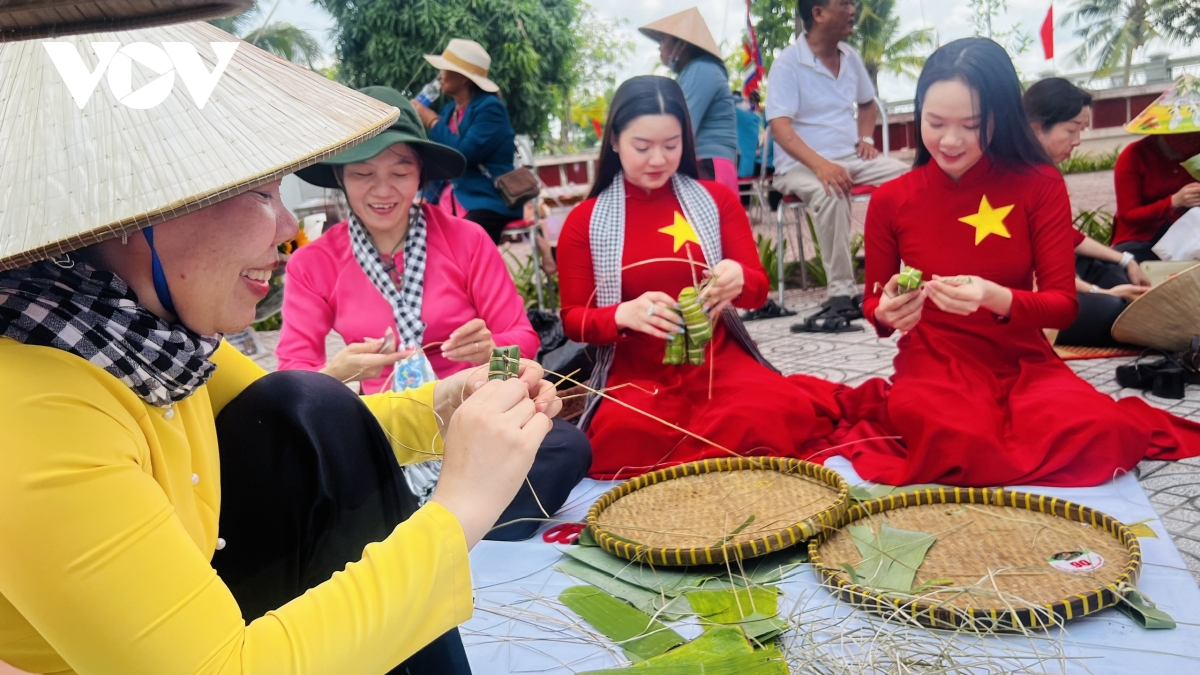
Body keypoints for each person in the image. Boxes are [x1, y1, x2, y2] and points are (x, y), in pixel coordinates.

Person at [0, 24, 563, 675]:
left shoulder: (145, 339)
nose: (289, 226)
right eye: (262, 194)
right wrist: (460, 506)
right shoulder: (35, 414)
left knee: (310, 403)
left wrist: (446, 403)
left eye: (400, 171)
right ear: (140, 212)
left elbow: (319, 417)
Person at [820, 38, 1200, 488]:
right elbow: (875, 308)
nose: (951, 140)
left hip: (1022, 361)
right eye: (935, 122)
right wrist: (886, 312)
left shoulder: (1038, 184)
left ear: (1001, 118)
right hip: (934, 363)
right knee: (952, 435)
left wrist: (999, 298)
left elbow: (1063, 306)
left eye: (973, 125)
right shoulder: (891, 200)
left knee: (1104, 430)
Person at [278, 87, 591, 539]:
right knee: (307, 480)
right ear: (340, 178)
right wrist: (336, 374)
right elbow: (292, 375)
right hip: (385, 430)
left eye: (400, 171)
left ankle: (416, 524)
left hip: (473, 419)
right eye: (363, 172)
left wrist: (492, 351)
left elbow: (522, 338)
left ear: (421, 173)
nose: (382, 190)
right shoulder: (315, 262)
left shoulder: (466, 240)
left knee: (565, 446)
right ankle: (459, 521)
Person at [556, 76, 842, 480]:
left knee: (767, 416)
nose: (658, 159)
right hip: (637, 374)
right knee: (622, 438)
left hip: (718, 362)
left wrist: (737, 277)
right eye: (642, 147)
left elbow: (758, 291)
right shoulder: (585, 221)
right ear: (615, 141)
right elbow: (574, 319)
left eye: (671, 146)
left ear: (685, 142)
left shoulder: (714, 200)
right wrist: (623, 314)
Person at [765, 0, 909, 332]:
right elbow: (781, 130)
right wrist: (821, 166)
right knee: (831, 190)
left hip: (851, 157)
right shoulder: (788, 64)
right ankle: (841, 294)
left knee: (911, 178)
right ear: (817, 14)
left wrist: (866, 139)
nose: (853, 9)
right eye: (844, 3)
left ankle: (914, 271)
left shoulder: (851, 57)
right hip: (799, 165)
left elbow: (867, 103)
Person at [1023, 77, 1150, 346]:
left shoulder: (1044, 172)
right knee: (1121, 312)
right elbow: (1036, 269)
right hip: (1032, 292)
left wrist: (1126, 260)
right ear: (1037, 129)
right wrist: (1102, 292)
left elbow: (1065, 236)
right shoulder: (1017, 178)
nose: (1077, 141)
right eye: (1071, 131)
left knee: (1111, 266)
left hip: (1064, 279)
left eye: (1081, 130)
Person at [411, 38, 523, 244]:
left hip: (486, 200)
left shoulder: (490, 109)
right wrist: (425, 195)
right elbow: (441, 160)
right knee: (414, 233)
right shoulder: (447, 112)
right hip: (450, 200)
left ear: (464, 78)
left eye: (445, 69)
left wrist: (432, 122)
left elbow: (463, 155)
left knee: (464, 242)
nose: (440, 75)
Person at [639, 7, 740, 195]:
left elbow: (680, 128)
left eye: (662, 40)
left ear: (681, 44)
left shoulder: (701, 71)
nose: (659, 47)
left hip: (709, 166)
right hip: (704, 165)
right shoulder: (694, 73)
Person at [1112, 75, 1200, 261]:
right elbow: (1128, 215)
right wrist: (1174, 201)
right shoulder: (1134, 156)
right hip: (1140, 240)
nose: (1191, 139)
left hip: (1188, 239)